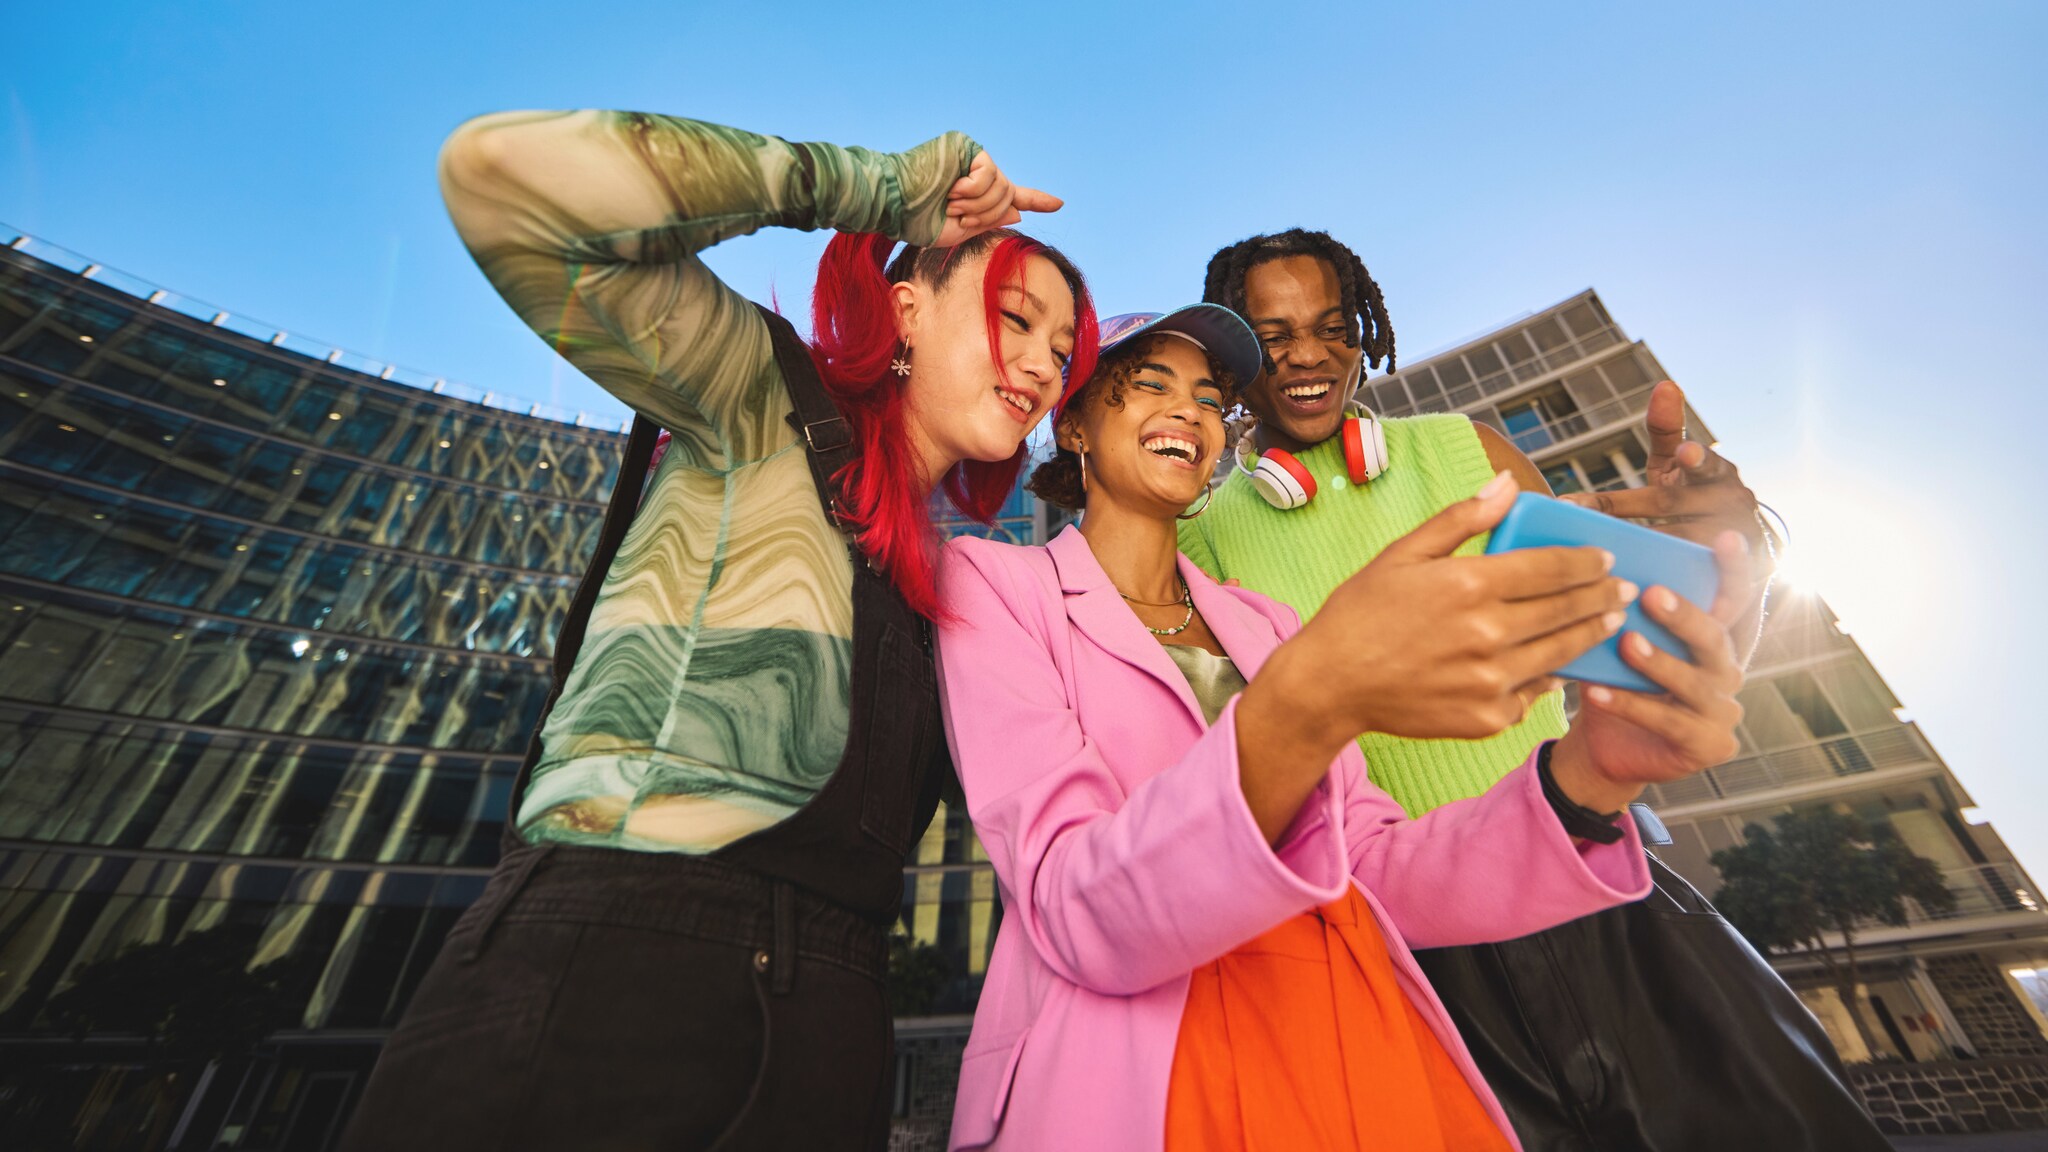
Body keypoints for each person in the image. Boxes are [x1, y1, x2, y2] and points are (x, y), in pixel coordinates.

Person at [341, 109, 1098, 1152]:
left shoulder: (953, 583)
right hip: (612, 970)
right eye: (1014, 319)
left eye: (1062, 351)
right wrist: (874, 187)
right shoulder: (756, 398)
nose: (1039, 367)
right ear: (906, 307)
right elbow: (503, 180)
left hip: (833, 1027)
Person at [933, 305, 1754, 1151]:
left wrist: (1588, 776)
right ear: (1072, 423)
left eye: (1211, 399)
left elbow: (1374, 866)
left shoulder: (1270, 624)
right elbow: (1071, 901)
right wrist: (1310, 702)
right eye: (1148, 385)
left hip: (1355, 1033)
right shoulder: (994, 584)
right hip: (1144, 1073)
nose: (1188, 411)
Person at [1181, 229, 1890, 1151]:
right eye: (1273, 336)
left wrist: (1730, 567)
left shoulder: (1465, 454)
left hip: (1599, 894)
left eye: (1331, 326)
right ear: (1233, 353)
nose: (1309, 355)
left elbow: (1655, 673)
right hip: (1407, 956)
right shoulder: (1201, 542)